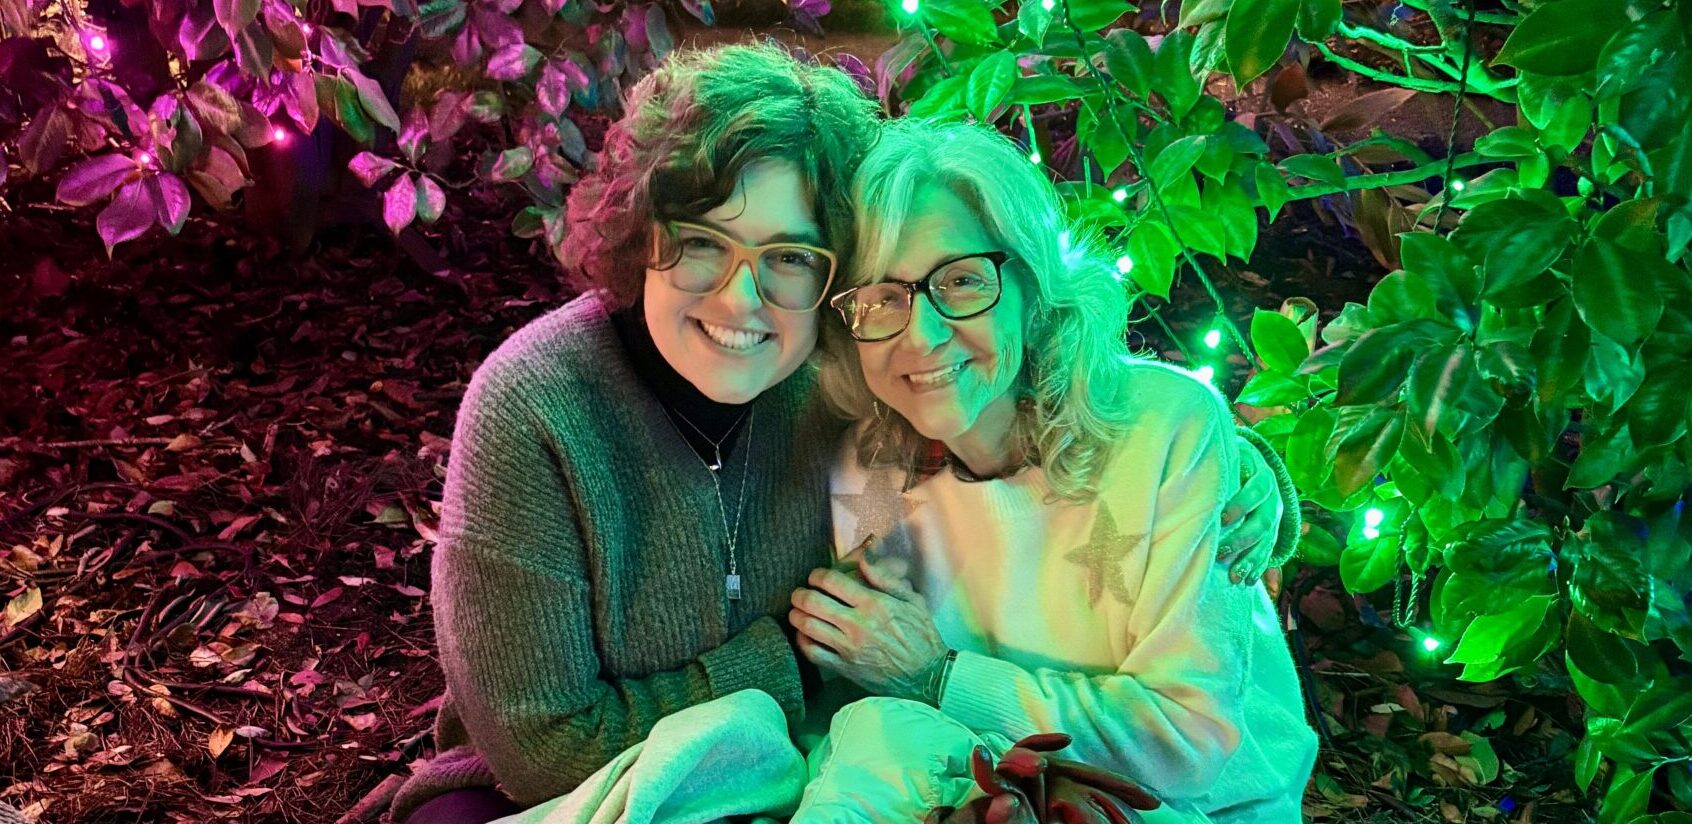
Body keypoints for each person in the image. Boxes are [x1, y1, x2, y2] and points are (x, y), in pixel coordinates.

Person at [391, 43, 1291, 824]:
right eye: (704, 240)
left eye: (788, 257)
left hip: (814, 763)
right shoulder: (545, 406)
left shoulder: (847, 395)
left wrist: (1239, 476)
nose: (745, 299)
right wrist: (789, 660)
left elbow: (1059, 426)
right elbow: (547, 748)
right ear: (642, 230)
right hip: (577, 780)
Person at [788, 119, 1316, 822]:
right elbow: (873, 676)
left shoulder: (1166, 431)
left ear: (1033, 287)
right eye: (881, 299)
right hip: (989, 782)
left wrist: (941, 678)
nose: (923, 335)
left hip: (1202, 805)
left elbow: (1183, 748)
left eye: (962, 279)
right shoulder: (872, 467)